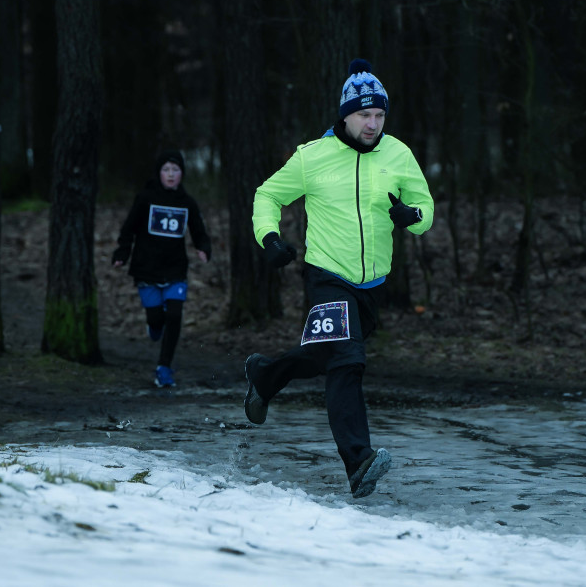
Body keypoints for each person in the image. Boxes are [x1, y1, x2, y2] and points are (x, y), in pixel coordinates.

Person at [244, 58, 434, 498]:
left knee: (325, 354)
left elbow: (425, 209)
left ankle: (265, 376)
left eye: (380, 115)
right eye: (365, 115)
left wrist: (413, 216)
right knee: (348, 362)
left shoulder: (399, 154)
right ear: (346, 114)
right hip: (328, 274)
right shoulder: (313, 157)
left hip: (372, 285)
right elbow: (267, 193)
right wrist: (269, 238)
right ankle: (359, 462)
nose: (373, 124)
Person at [112, 150, 212, 388]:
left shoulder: (187, 202)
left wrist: (203, 248)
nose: (170, 175)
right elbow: (129, 229)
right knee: (157, 318)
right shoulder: (145, 198)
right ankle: (154, 324)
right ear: (159, 173)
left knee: (175, 315)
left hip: (175, 269)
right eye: (166, 170)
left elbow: (199, 231)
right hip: (146, 268)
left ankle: (164, 368)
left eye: (175, 170)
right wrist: (122, 253)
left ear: (182, 174)